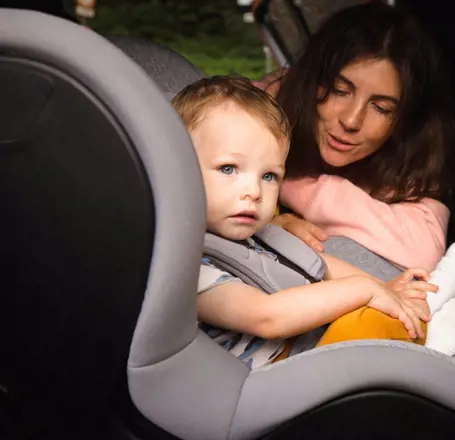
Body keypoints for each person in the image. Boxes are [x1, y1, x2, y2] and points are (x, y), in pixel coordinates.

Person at [171, 75, 439, 369]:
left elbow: (320, 266)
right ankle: (434, 337)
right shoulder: (190, 267)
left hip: (300, 351)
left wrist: (385, 287)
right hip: (260, 385)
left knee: (378, 314)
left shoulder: (261, 234)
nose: (254, 192)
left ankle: (427, 321)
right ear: (179, 170)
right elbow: (266, 316)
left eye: (269, 176)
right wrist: (364, 290)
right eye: (228, 168)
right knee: (366, 324)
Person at [264, 2, 455, 275]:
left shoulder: (408, 162)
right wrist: (267, 227)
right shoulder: (261, 110)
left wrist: (303, 190)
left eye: (381, 108)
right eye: (340, 90)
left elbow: (422, 251)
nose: (351, 120)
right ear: (312, 79)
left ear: (404, 120)